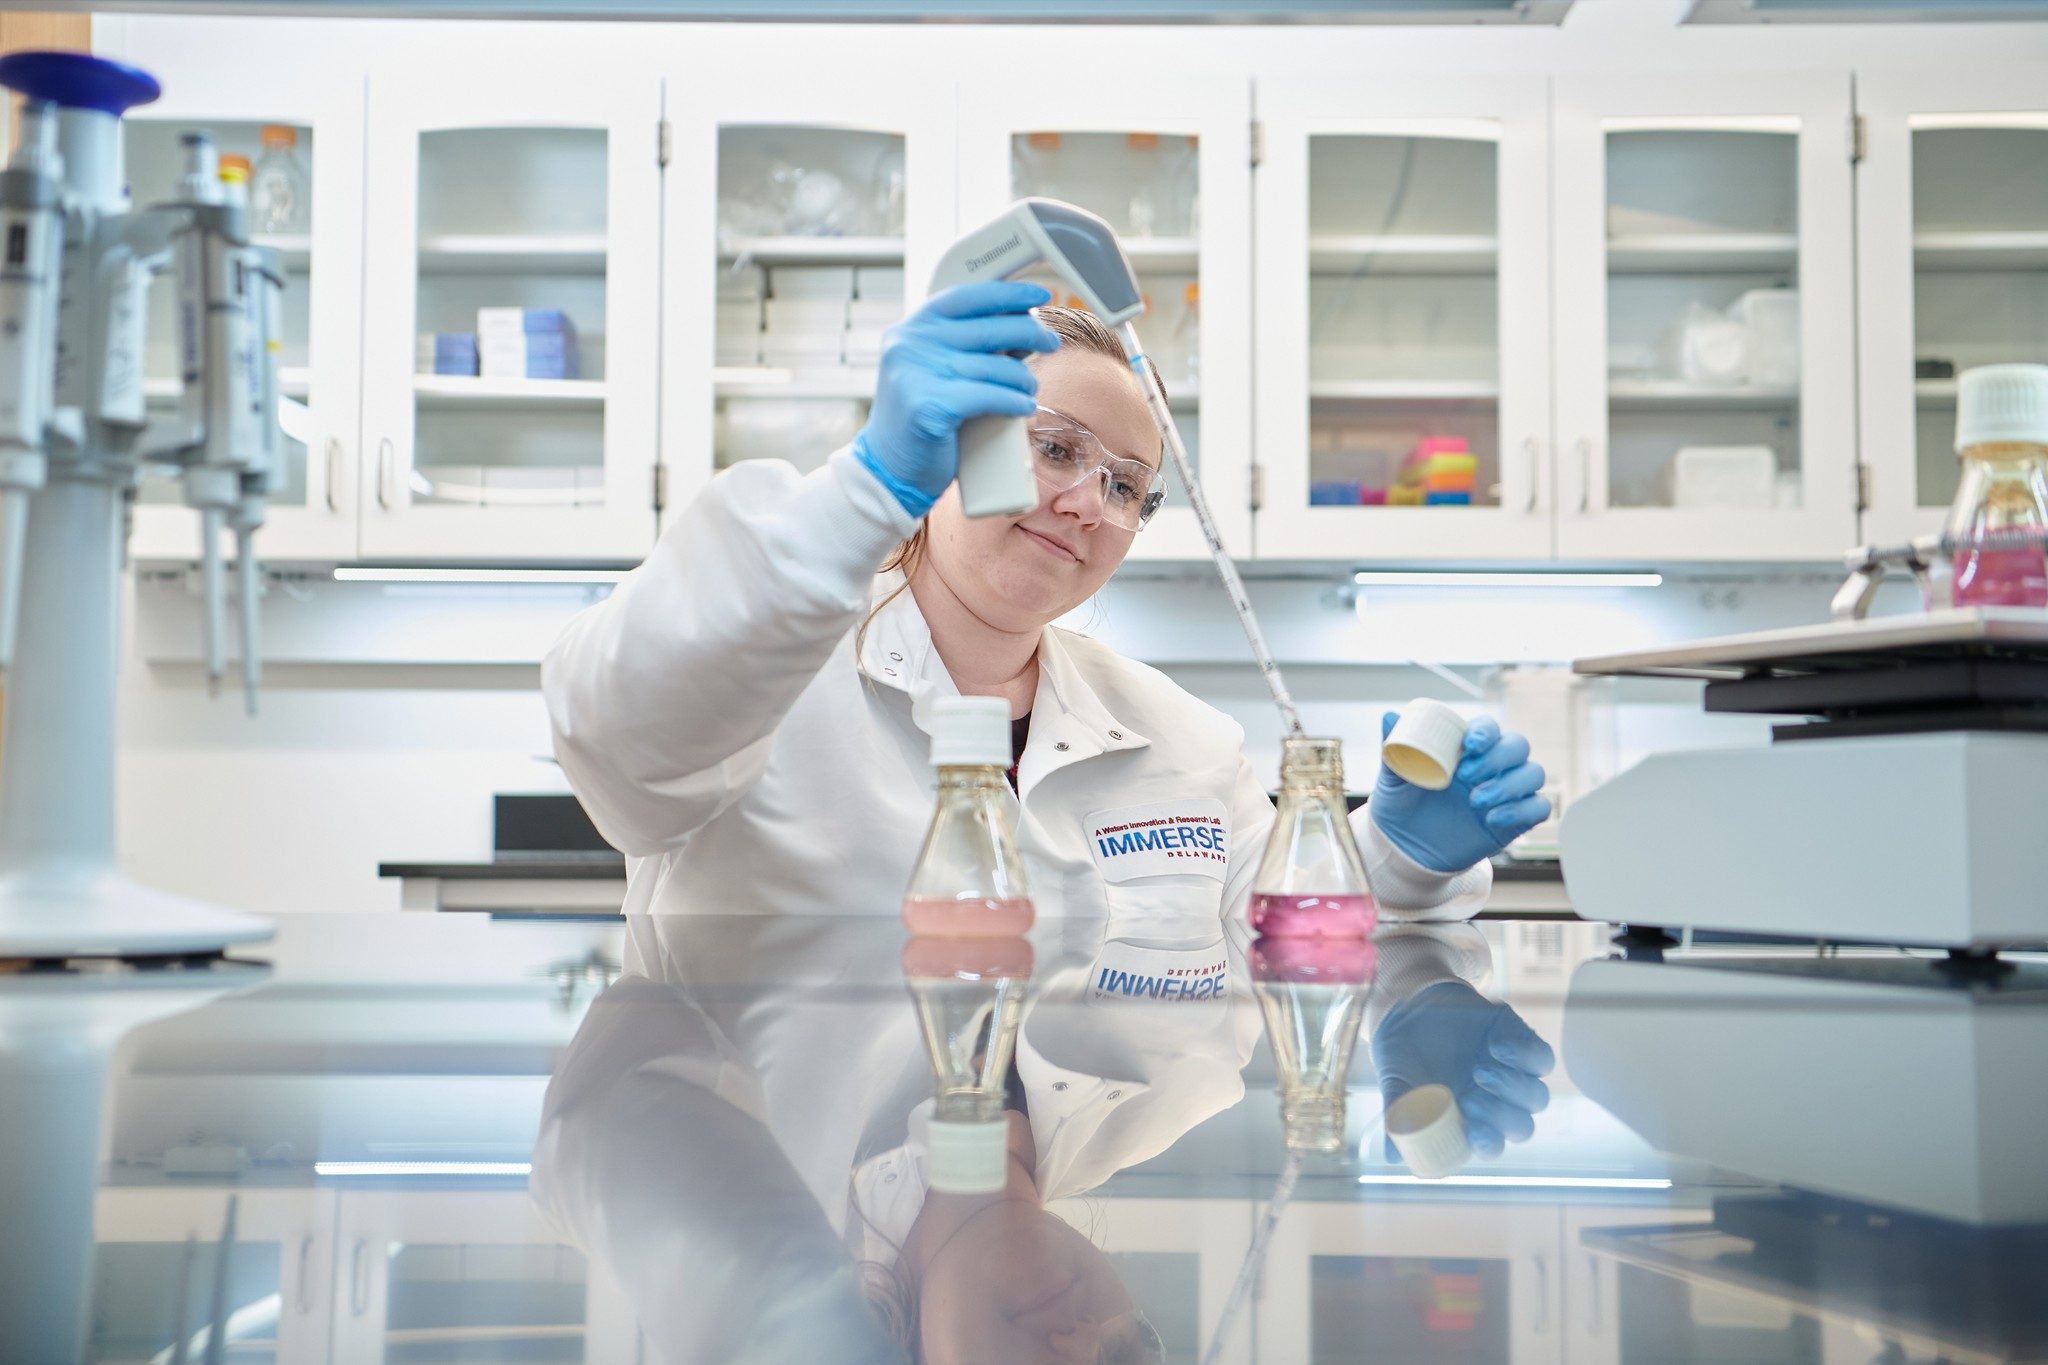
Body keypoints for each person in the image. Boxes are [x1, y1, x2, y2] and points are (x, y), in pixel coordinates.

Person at [543, 279, 1551, 933]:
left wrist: (1394, 859)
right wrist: (861, 489)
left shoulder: (1176, 737)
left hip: (1037, 1166)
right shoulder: (766, 670)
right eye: (1056, 448)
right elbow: (617, 733)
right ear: (952, 448)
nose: (1085, 503)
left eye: (1124, 486)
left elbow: (1269, 925)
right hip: (762, 1215)